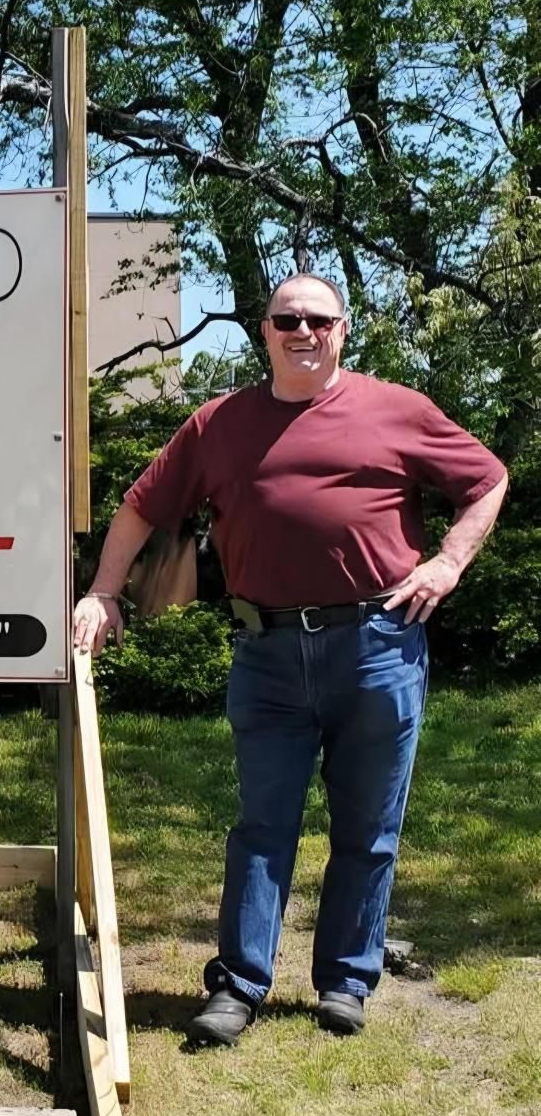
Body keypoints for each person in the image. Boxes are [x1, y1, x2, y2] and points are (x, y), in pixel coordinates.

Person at [73, 272, 508, 1046]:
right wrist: (104, 593)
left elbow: (487, 478)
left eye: (317, 319)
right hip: (267, 650)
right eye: (286, 318)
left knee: (369, 827)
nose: (301, 330)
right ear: (264, 330)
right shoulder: (219, 424)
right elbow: (141, 506)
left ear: (344, 329)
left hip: (377, 645)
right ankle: (238, 986)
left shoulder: (396, 410)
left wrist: (445, 563)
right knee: (262, 824)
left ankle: (345, 981)